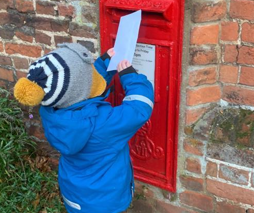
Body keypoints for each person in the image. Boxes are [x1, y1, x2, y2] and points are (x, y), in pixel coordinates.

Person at [13, 43, 154, 213]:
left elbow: (81, 88)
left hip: (75, 194)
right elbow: (140, 107)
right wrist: (130, 76)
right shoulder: (101, 123)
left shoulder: (51, 112)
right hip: (106, 201)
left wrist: (104, 64)